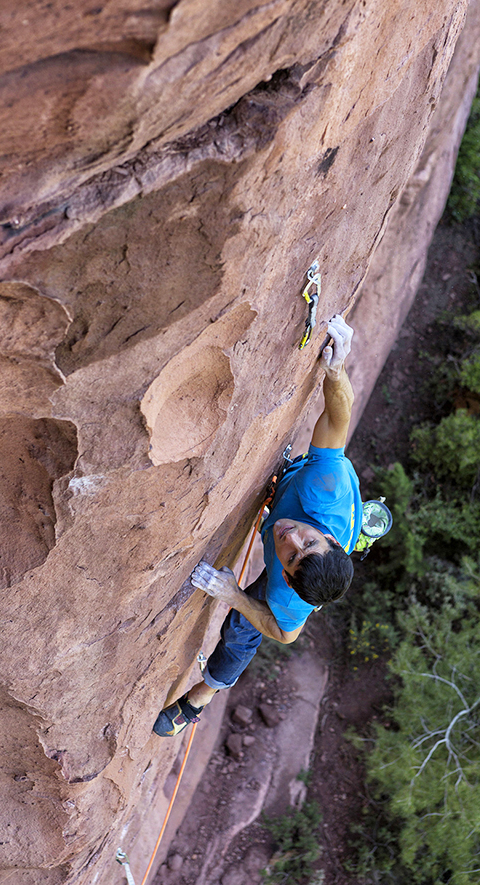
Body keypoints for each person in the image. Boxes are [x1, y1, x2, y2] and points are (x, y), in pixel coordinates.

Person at [153, 314, 362, 737]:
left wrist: (233, 594)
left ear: (285, 573)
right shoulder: (326, 493)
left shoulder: (288, 592)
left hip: (300, 584)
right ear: (328, 538)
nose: (290, 538)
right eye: (309, 541)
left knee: (241, 628)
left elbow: (285, 634)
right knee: (313, 469)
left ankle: (200, 698)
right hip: (306, 485)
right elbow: (338, 421)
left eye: (291, 554)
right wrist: (337, 371)